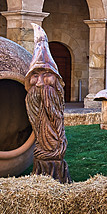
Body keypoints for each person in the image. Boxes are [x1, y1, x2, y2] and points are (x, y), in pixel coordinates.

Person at [25, 24, 71, 183]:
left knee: (52, 145)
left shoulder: (51, 92)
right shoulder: (34, 94)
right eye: (35, 76)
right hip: (41, 146)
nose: (39, 83)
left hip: (54, 146)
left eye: (46, 75)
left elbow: (55, 116)